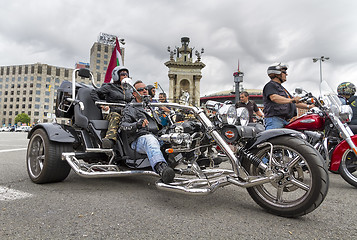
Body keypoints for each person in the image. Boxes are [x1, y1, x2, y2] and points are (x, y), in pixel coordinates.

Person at [120, 80, 175, 183]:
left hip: (156, 136)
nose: (145, 91)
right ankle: (161, 168)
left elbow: (159, 126)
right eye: (140, 89)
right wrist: (137, 124)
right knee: (150, 140)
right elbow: (124, 126)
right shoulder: (130, 107)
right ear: (134, 93)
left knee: (176, 135)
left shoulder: (150, 107)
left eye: (145, 89)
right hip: (139, 139)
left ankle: (194, 161)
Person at [90, 66, 132, 148]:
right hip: (112, 112)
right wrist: (102, 104)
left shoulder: (129, 89)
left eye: (126, 74)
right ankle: (109, 140)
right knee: (116, 116)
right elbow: (94, 92)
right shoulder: (110, 87)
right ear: (116, 75)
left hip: (126, 113)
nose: (125, 76)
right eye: (123, 74)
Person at [263, 63, 312, 130]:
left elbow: (294, 102)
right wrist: (292, 100)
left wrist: (309, 106)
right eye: (284, 72)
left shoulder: (282, 89)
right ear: (277, 73)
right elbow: (274, 98)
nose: (286, 74)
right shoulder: (270, 85)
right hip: (275, 120)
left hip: (285, 121)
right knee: (274, 139)